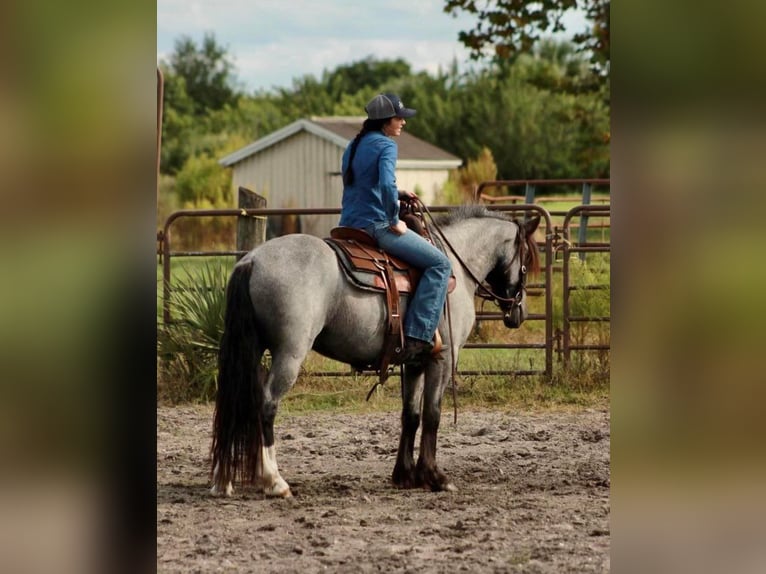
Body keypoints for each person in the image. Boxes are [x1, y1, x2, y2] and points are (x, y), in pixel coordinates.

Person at [339, 93, 452, 364]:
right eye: (398, 117)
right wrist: (394, 218)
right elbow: (386, 184)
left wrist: (400, 193)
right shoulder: (386, 146)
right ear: (385, 121)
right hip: (377, 226)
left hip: (348, 225)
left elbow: (364, 185)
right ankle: (418, 337)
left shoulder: (353, 146)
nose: (402, 122)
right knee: (440, 264)